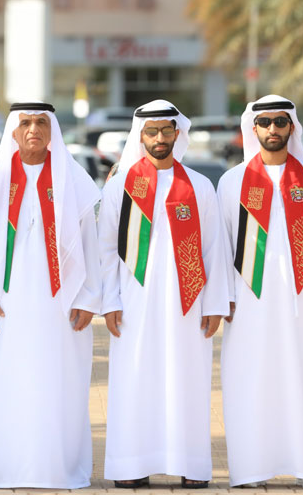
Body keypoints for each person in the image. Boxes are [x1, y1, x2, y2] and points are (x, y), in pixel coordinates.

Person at [0, 102, 101, 488]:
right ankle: (3, 468)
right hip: (4, 307)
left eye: (41, 122)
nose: (33, 129)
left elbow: (89, 244)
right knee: (6, 383)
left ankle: (55, 468)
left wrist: (87, 298)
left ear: (52, 129)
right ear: (13, 130)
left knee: (57, 384)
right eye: (25, 122)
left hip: (61, 307)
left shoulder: (73, 179)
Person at [98, 100, 230, 489]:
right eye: (152, 131)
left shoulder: (199, 186)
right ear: (140, 135)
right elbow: (106, 248)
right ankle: (132, 466)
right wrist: (110, 300)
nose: (160, 138)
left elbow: (214, 248)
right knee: (135, 380)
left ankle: (190, 465)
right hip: (133, 304)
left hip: (188, 305)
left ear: (177, 133)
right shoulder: (121, 185)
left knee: (186, 381)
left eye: (166, 130)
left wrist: (214, 303)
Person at [217, 95, 303, 489]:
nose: (273, 129)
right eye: (265, 122)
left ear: (292, 127)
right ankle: (251, 468)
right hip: (248, 302)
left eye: (280, 121)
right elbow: (221, 246)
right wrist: (222, 296)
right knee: (251, 378)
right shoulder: (232, 182)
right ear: (253, 127)